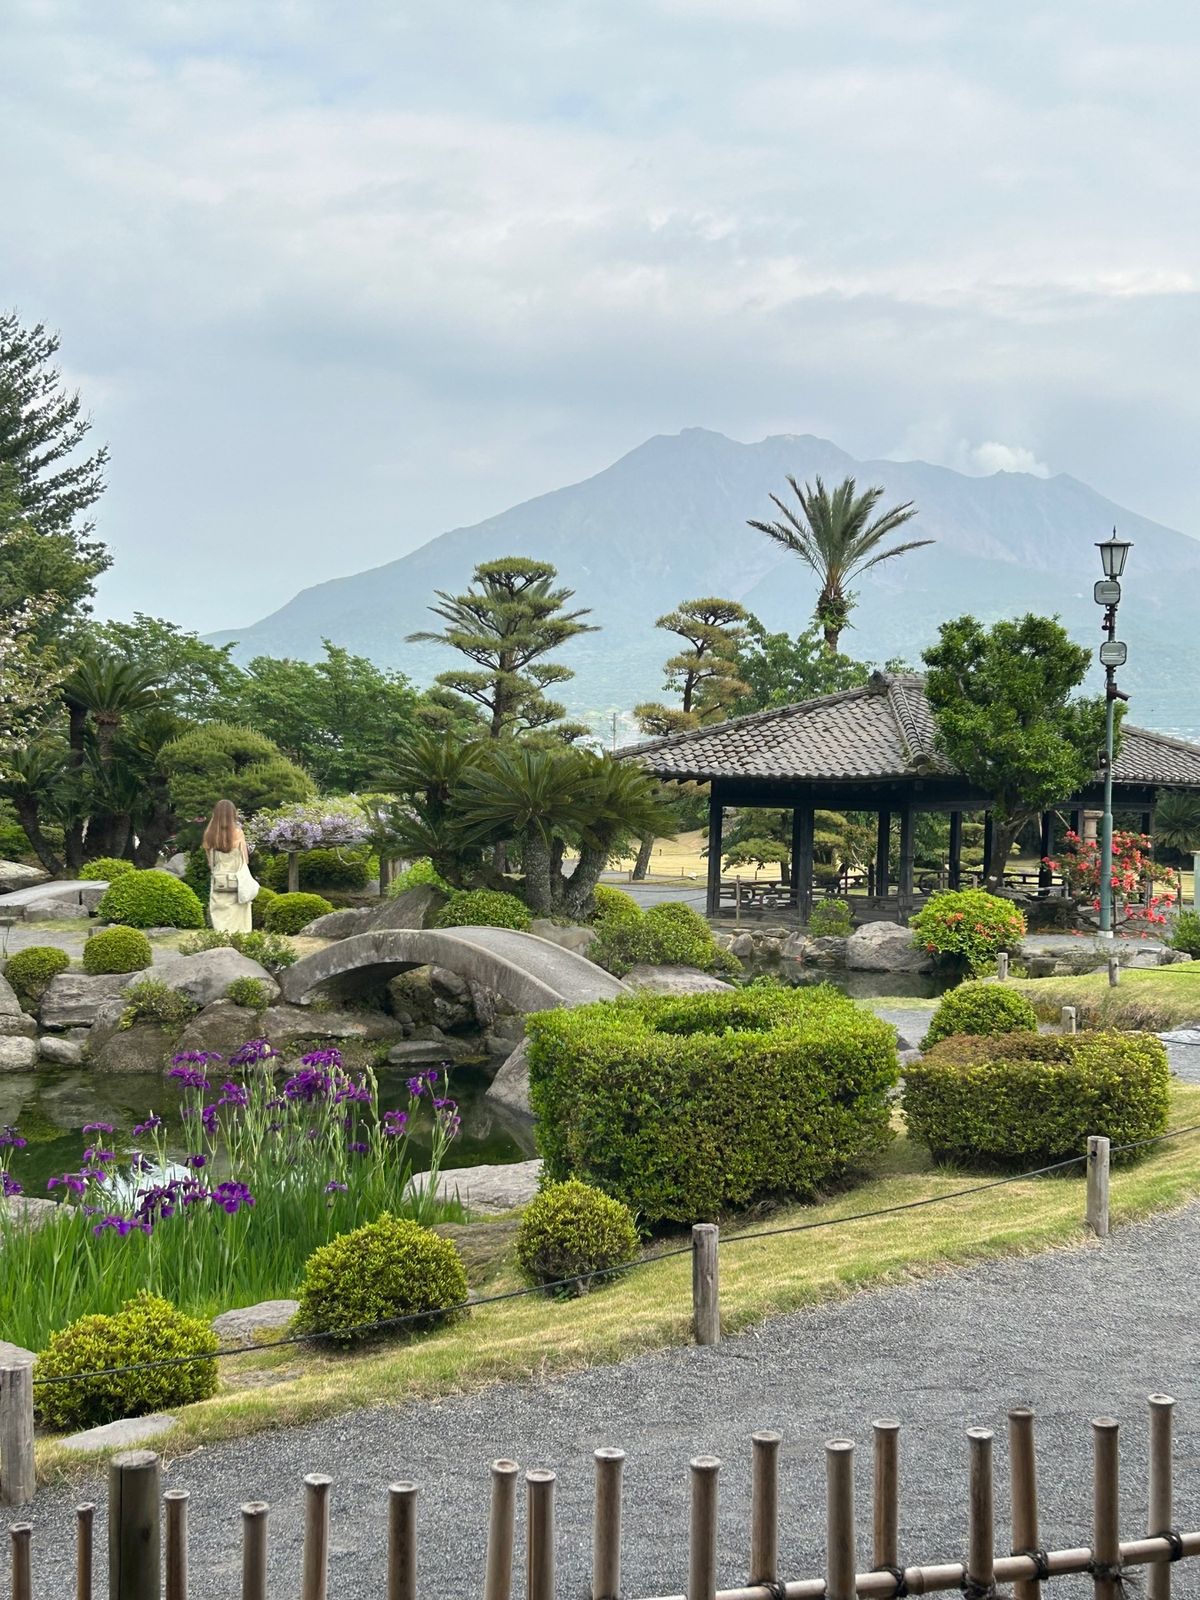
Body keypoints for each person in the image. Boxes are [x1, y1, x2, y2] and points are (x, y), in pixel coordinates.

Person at [203, 798, 252, 933]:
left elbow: (210, 863)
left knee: (221, 920)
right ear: (233, 814)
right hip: (238, 882)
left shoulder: (209, 835)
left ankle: (222, 941)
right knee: (239, 921)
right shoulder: (238, 833)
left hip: (219, 882)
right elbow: (245, 859)